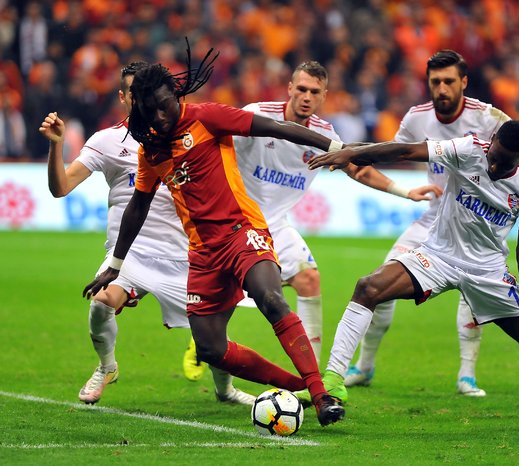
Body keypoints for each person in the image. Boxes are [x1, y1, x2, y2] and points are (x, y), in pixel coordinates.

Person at [82, 48, 346, 426]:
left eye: (165, 106)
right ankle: (300, 387)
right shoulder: (151, 150)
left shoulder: (207, 116)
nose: (160, 116)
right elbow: (137, 207)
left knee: (271, 297)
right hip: (203, 253)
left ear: (177, 96)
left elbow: (275, 128)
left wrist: (335, 148)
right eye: (151, 110)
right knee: (209, 348)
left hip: (243, 231)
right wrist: (115, 264)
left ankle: (321, 396)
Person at [307, 120, 519, 420]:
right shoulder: (468, 149)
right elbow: (407, 150)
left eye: (504, 164)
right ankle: (333, 380)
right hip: (438, 256)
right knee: (368, 287)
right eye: (493, 157)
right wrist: (353, 154)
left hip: (487, 272)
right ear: (492, 140)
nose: (494, 168)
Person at [182, 60, 440, 380]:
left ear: (324, 96)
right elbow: (215, 144)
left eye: (314, 92)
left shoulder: (324, 134)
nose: (306, 97)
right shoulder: (258, 114)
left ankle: (311, 377)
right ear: (290, 88)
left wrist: (404, 191)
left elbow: (356, 168)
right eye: (301, 89)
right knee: (226, 304)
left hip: (276, 225)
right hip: (237, 225)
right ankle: (209, 351)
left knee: (309, 279)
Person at [344, 50, 519, 397]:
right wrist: (400, 187)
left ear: (464, 82)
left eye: (449, 81)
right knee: (380, 284)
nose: (441, 88)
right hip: (434, 219)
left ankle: (467, 375)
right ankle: (364, 366)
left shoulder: (486, 117)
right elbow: (396, 152)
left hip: (476, 223)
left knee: (474, 293)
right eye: (435, 82)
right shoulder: (416, 118)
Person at [39, 62, 254, 406]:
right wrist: (56, 146)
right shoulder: (107, 141)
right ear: (123, 97)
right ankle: (106, 367)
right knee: (101, 303)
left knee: (213, 334)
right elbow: (60, 188)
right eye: (133, 92)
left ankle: (225, 390)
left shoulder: (177, 134)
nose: (141, 99)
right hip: (131, 254)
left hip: (184, 254)